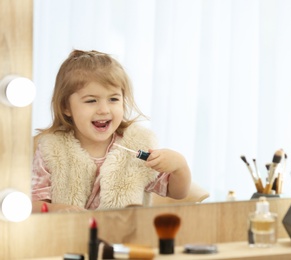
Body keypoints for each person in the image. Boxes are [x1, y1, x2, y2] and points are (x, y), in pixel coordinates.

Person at [31, 49, 191, 213]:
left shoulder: (138, 145)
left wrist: (180, 166)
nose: (103, 109)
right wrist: (55, 209)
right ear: (66, 107)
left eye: (113, 99)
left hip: (122, 237)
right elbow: (33, 204)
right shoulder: (51, 150)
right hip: (70, 236)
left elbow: (177, 193)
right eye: (91, 100)